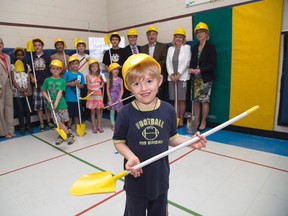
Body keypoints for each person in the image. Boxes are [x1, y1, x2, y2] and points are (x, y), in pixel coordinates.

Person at [113, 53, 207, 216]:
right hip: (136, 182)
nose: (144, 89)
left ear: (160, 80)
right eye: (136, 84)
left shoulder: (168, 110)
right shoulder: (124, 113)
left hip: (160, 180)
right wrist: (130, 157)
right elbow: (119, 142)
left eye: (149, 81)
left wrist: (189, 142)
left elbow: (172, 138)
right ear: (129, 87)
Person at [189, 22, 216, 131]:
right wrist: (191, 69)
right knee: (195, 101)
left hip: (206, 79)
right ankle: (196, 121)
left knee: (204, 101)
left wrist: (200, 70)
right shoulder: (195, 48)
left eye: (202, 32)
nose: (199, 34)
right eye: (198, 33)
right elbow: (192, 62)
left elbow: (213, 65)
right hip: (195, 79)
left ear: (206, 34)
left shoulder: (211, 47)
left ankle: (203, 121)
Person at [42, 60, 75, 145]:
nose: (55, 70)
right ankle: (69, 135)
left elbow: (60, 92)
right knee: (58, 122)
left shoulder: (62, 81)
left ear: (61, 70)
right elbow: (43, 91)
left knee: (62, 121)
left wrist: (56, 102)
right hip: (51, 106)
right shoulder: (47, 80)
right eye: (53, 68)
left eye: (57, 68)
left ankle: (62, 135)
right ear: (50, 69)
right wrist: (48, 99)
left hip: (61, 104)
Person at [166, 28, 191, 127]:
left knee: (181, 99)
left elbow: (187, 62)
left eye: (180, 37)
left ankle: (181, 119)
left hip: (182, 78)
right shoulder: (170, 49)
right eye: (176, 37)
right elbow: (168, 63)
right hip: (171, 78)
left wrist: (179, 75)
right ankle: (175, 118)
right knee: (174, 99)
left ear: (183, 38)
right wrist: (172, 75)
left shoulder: (187, 47)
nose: (178, 39)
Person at [30, 37, 54, 132]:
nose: (37, 47)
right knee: (39, 106)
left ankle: (49, 121)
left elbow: (51, 70)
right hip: (37, 85)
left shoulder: (47, 57)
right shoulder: (31, 57)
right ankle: (41, 123)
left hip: (46, 84)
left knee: (48, 105)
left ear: (42, 46)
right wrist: (32, 77)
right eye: (35, 45)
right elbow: (30, 71)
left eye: (39, 45)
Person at [140, 25, 168, 101]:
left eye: (153, 34)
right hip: (146, 78)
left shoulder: (163, 46)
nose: (151, 36)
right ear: (147, 36)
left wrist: (152, 66)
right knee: (149, 97)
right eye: (149, 35)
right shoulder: (142, 48)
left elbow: (164, 61)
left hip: (159, 77)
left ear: (156, 35)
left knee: (160, 98)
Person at [10, 47, 33, 135]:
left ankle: (28, 125)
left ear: (24, 56)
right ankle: (22, 126)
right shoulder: (12, 66)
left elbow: (28, 78)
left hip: (27, 91)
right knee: (20, 110)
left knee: (28, 110)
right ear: (15, 56)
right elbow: (13, 80)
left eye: (21, 55)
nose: (20, 56)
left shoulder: (27, 66)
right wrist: (19, 88)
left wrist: (27, 89)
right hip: (17, 92)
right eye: (18, 55)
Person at [63, 56, 85, 133]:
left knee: (77, 114)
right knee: (69, 114)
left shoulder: (81, 75)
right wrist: (70, 84)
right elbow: (63, 84)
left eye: (76, 64)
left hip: (78, 98)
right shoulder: (67, 74)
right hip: (69, 98)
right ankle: (69, 127)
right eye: (72, 64)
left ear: (78, 64)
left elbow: (82, 86)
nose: (74, 65)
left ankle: (77, 126)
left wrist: (78, 85)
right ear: (70, 65)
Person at [0, 38, 15, 138]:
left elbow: (9, 72)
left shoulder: (7, 57)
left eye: (1, 43)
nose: (0, 44)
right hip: (0, 85)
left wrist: (11, 85)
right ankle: (3, 132)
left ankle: (10, 130)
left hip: (8, 84)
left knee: (9, 108)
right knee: (0, 109)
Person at [122, 28, 141, 104]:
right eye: (130, 37)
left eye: (134, 37)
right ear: (128, 38)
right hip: (129, 76)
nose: (132, 39)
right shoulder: (124, 50)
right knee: (130, 98)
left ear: (136, 38)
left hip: (140, 75)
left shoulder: (141, 48)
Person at [73, 39, 90, 120]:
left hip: (86, 80)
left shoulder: (88, 57)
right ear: (77, 47)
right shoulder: (74, 56)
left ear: (85, 47)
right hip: (77, 80)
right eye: (79, 46)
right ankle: (79, 114)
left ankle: (87, 114)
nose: (81, 47)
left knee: (86, 98)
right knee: (78, 98)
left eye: (83, 46)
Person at [86, 59, 104, 133]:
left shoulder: (100, 75)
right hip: (92, 95)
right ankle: (94, 126)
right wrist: (92, 90)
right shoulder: (88, 76)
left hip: (98, 95)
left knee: (98, 111)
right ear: (90, 67)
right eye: (93, 66)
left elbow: (102, 83)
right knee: (92, 111)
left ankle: (99, 126)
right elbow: (88, 86)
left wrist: (101, 86)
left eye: (96, 66)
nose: (94, 68)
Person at [106, 63, 123, 131]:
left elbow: (122, 90)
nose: (116, 71)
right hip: (111, 98)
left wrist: (120, 97)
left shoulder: (120, 80)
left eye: (117, 69)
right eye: (114, 69)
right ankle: (113, 124)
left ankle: (119, 124)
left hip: (118, 98)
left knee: (119, 112)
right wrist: (110, 100)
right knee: (112, 112)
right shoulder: (109, 80)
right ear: (111, 71)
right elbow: (107, 90)